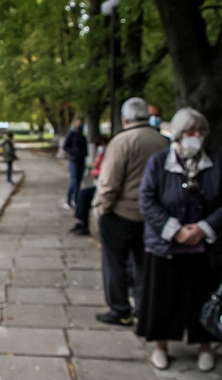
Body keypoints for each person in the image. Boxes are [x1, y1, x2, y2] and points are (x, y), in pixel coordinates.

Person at [137, 108, 222, 372]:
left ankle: (205, 344)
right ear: (178, 133)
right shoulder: (160, 161)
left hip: (203, 247)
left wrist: (204, 228)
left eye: (200, 131)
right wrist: (174, 230)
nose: (195, 136)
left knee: (202, 297)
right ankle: (160, 346)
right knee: (161, 298)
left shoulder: (215, 162)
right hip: (166, 247)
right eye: (189, 131)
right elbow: (147, 199)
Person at [91, 97, 168, 326]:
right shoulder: (162, 141)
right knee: (144, 265)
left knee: (114, 263)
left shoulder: (122, 141)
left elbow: (110, 181)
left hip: (122, 212)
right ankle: (144, 309)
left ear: (125, 118)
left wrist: (102, 209)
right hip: (152, 215)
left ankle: (120, 309)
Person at [69, 135, 109, 236]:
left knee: (85, 195)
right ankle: (80, 222)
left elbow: (106, 171)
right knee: (82, 194)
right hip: (101, 185)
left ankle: (82, 223)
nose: (101, 148)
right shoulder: (103, 155)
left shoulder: (109, 156)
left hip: (106, 187)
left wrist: (96, 172)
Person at [62, 116, 88, 209]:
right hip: (73, 160)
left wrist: (84, 154)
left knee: (79, 180)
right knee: (74, 180)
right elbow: (65, 147)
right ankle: (70, 200)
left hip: (81, 160)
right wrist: (73, 153)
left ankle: (76, 200)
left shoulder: (82, 135)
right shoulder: (71, 134)